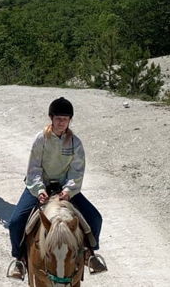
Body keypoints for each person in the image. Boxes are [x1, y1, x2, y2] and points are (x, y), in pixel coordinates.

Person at [7, 97, 107, 280]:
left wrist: (69, 190)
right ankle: (19, 259)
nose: (62, 122)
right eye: (58, 118)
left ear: (70, 120)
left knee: (95, 218)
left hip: (65, 190)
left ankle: (89, 254)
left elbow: (77, 171)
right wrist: (39, 189)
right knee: (15, 222)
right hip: (39, 187)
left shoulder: (75, 143)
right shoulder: (41, 139)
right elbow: (34, 168)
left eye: (65, 119)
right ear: (51, 118)